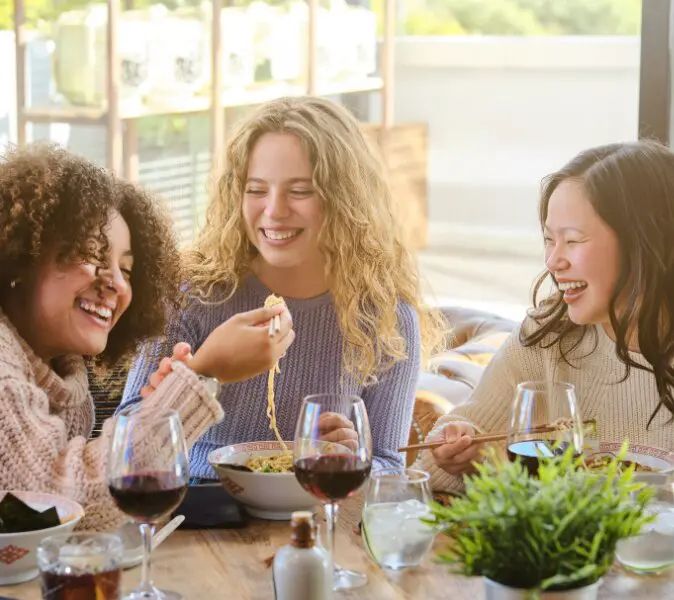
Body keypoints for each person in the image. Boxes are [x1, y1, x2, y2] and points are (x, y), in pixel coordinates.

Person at [0, 145, 294, 547]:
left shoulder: (66, 381)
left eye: (127, 269)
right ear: (18, 256)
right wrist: (203, 375)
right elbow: (51, 509)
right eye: (91, 255)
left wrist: (160, 411)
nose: (116, 283)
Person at [120, 96, 443, 479]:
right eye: (256, 190)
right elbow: (125, 449)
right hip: (192, 513)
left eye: (301, 190)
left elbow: (389, 465)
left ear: (345, 199)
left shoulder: (387, 318)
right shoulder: (190, 294)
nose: (274, 210)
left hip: (310, 521)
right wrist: (204, 371)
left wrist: (353, 462)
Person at [421, 140, 674, 492]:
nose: (553, 261)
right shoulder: (548, 335)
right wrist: (457, 449)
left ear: (645, 242)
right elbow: (437, 468)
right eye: (549, 240)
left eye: (573, 241)